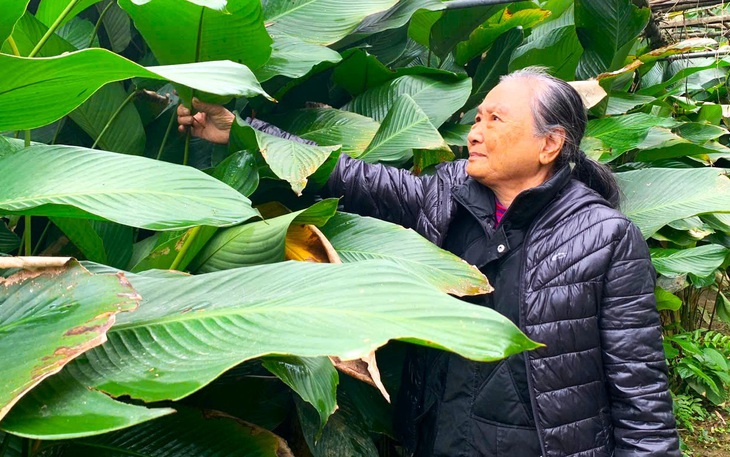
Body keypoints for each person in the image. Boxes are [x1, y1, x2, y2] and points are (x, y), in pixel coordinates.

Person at [178, 67, 680, 457]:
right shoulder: (448, 195)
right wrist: (244, 130)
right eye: (478, 118)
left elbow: (640, 393)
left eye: (496, 120)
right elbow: (349, 176)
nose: (475, 134)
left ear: (550, 144)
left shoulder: (605, 238)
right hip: (439, 438)